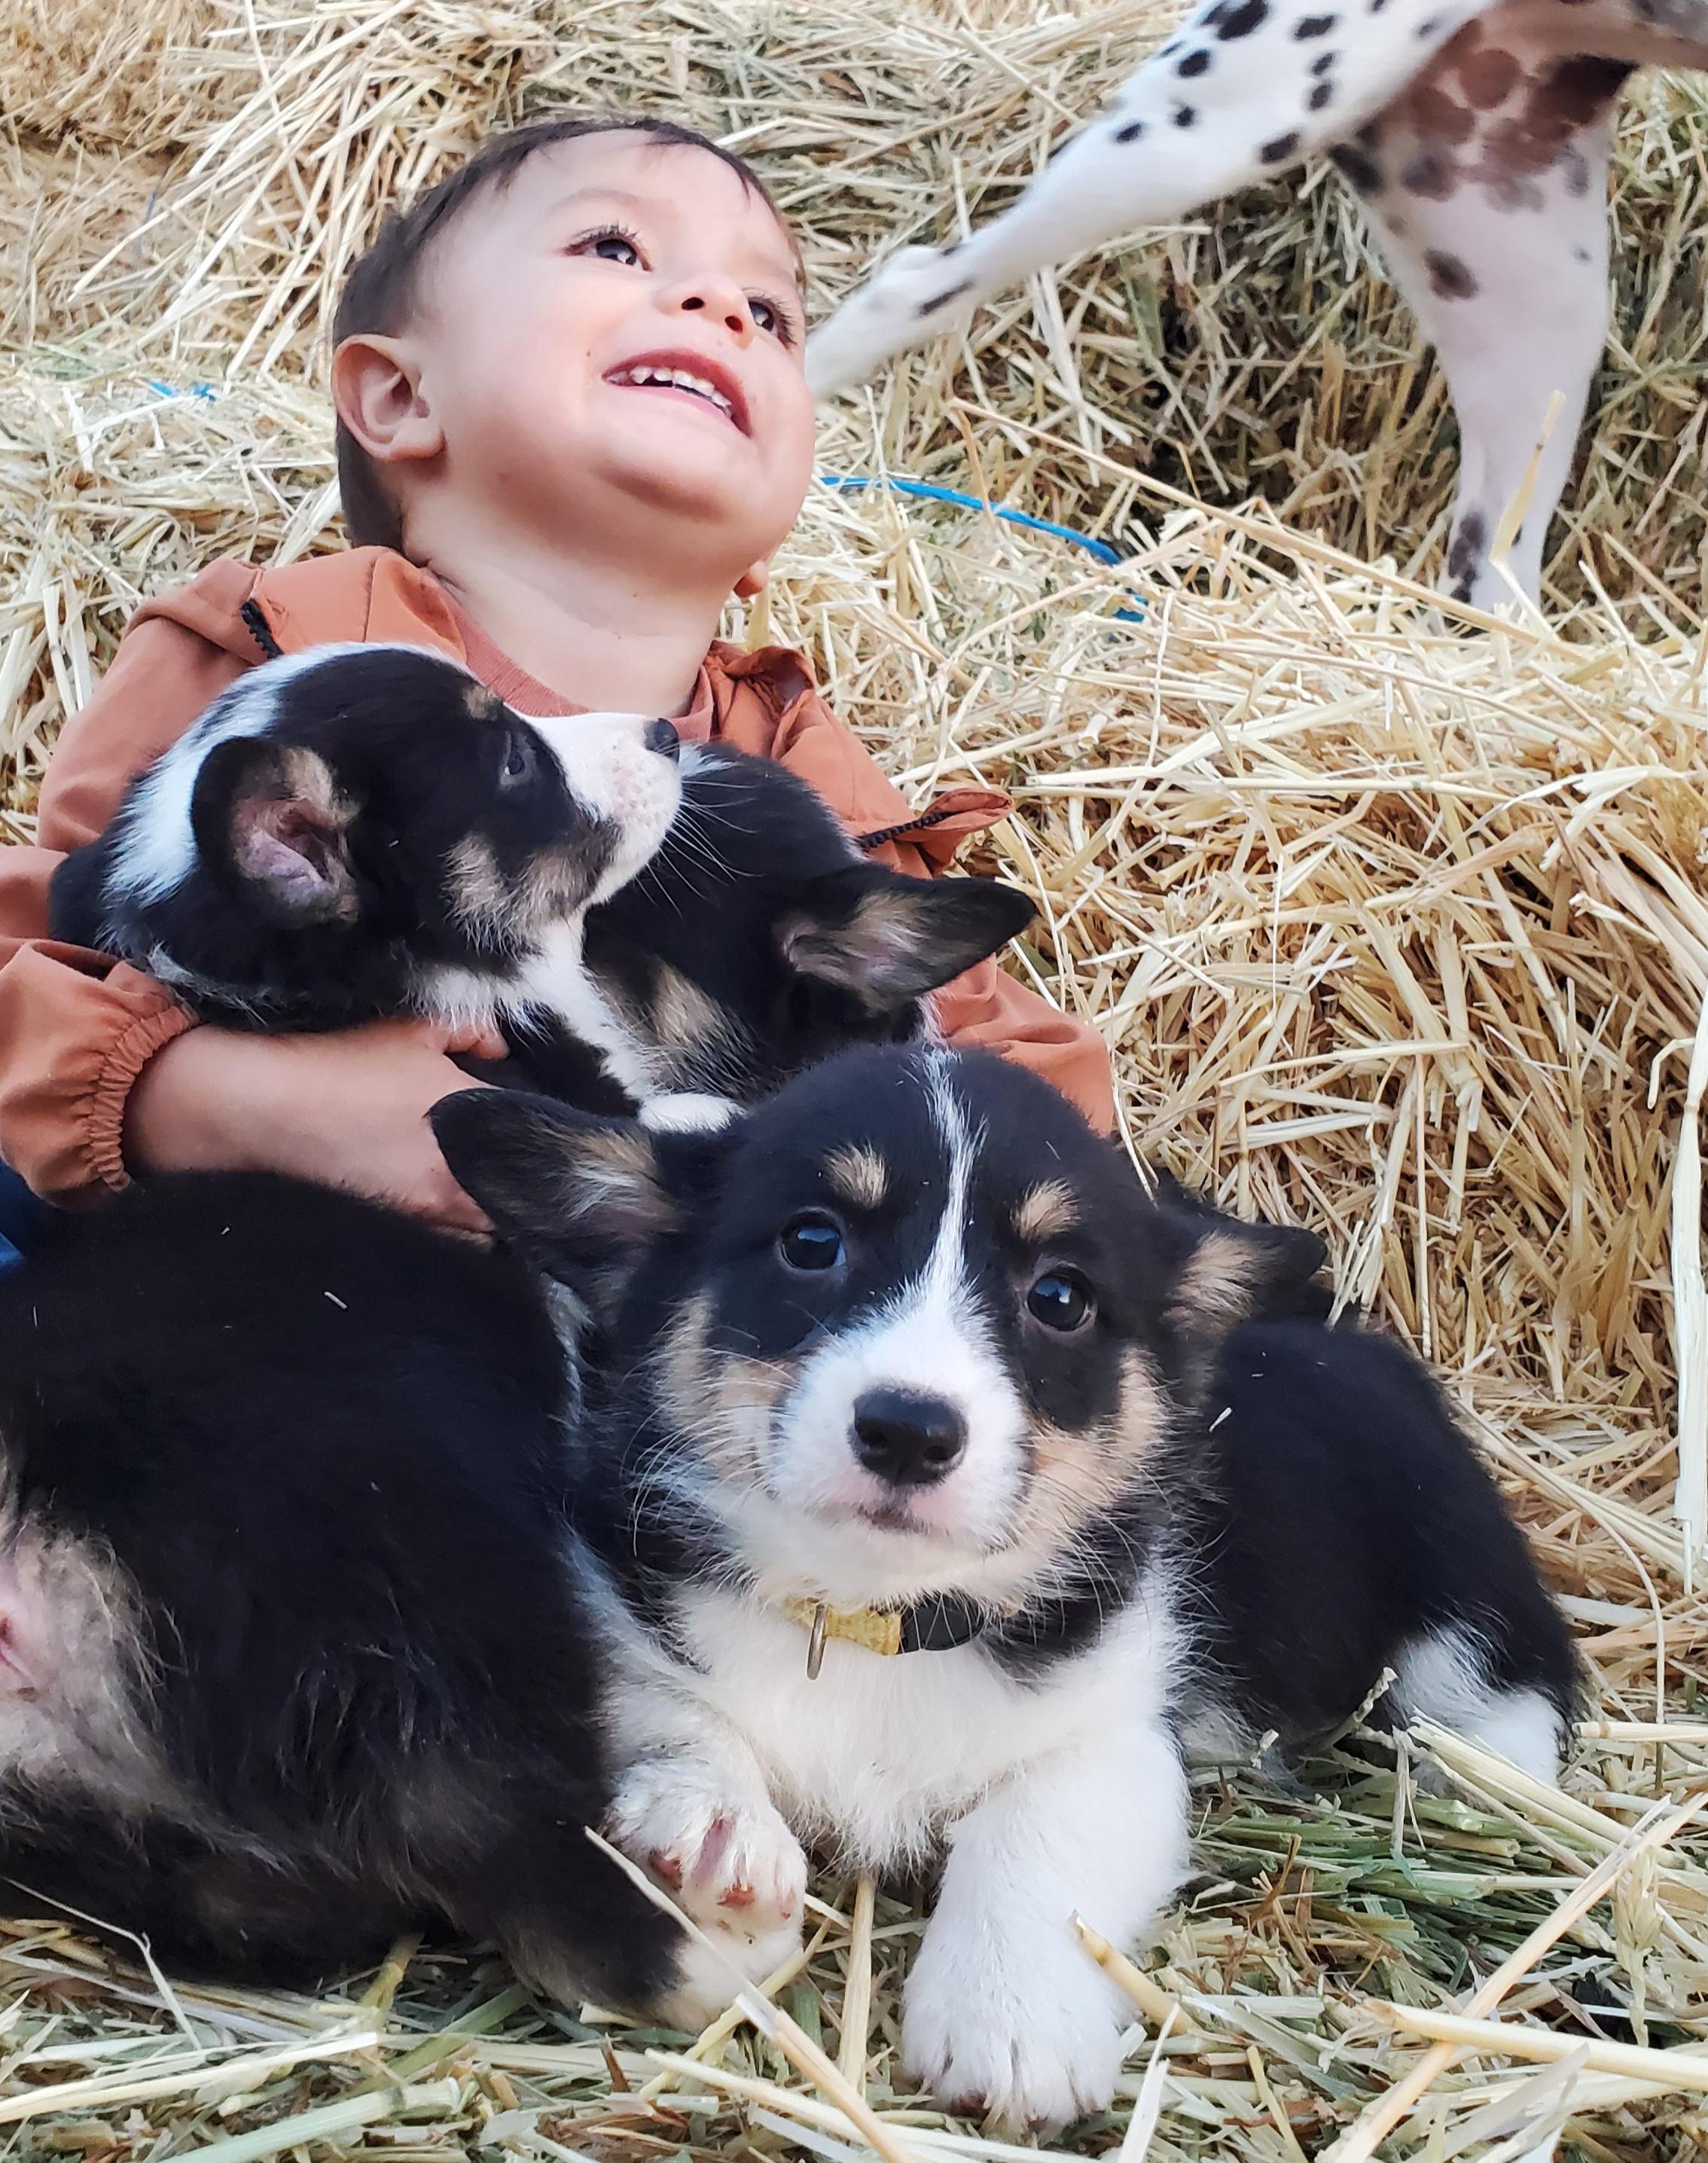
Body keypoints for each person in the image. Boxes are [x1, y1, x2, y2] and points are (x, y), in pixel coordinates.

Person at [0, 113, 1113, 1254]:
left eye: (771, 314)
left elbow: (1034, 1085)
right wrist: (215, 1100)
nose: (720, 306)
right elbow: (38, 934)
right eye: (616, 249)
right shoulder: (276, 662)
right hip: (241, 1267)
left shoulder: (809, 777)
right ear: (399, 399)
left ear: (770, 543)